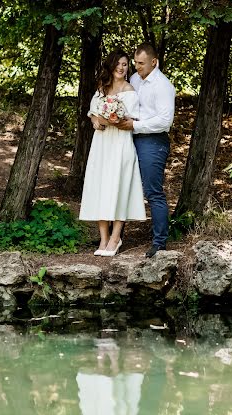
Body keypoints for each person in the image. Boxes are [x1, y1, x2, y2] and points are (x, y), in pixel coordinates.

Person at [79, 49, 146, 257]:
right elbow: (92, 112)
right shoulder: (102, 88)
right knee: (101, 187)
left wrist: (106, 119)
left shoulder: (130, 91)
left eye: (125, 64)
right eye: (118, 63)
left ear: (128, 68)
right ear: (111, 65)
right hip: (102, 144)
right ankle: (104, 238)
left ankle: (116, 238)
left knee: (120, 186)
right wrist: (94, 120)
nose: (121, 67)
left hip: (120, 144)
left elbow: (127, 121)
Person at [115, 43, 176, 258]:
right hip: (130, 138)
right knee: (123, 187)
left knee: (153, 191)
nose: (136, 67)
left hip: (153, 141)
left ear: (154, 62)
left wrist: (135, 125)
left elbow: (165, 121)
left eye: (141, 63)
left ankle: (159, 243)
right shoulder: (134, 80)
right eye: (135, 63)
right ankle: (116, 238)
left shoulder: (163, 85)